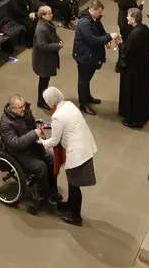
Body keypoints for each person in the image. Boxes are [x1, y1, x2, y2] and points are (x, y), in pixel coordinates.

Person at [40, 86, 98, 227]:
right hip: (85, 145)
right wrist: (49, 125)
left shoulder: (57, 116)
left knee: (74, 185)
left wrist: (41, 142)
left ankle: (75, 216)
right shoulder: (69, 105)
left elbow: (54, 141)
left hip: (77, 153)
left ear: (50, 103)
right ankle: (70, 205)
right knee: (72, 182)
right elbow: (64, 124)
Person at [0, 94, 58, 215]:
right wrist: (33, 134)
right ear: (12, 108)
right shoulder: (5, 123)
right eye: (20, 107)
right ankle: (44, 196)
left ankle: (52, 189)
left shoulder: (25, 111)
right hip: (17, 152)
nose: (24, 109)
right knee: (41, 167)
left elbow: (32, 125)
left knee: (52, 159)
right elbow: (15, 143)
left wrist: (40, 134)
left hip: (30, 145)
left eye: (24, 106)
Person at [72, 0, 117, 115]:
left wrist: (106, 39)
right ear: (92, 10)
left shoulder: (94, 19)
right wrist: (109, 37)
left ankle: (87, 97)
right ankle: (83, 103)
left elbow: (101, 31)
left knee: (87, 78)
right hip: (84, 55)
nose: (100, 14)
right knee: (83, 79)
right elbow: (92, 40)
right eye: (99, 12)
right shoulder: (84, 23)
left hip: (90, 54)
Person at [117, 7, 149, 129]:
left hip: (135, 70)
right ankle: (144, 115)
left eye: (128, 16)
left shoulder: (135, 34)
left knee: (135, 94)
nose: (126, 18)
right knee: (143, 93)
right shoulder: (145, 29)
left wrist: (120, 44)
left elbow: (127, 52)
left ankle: (135, 120)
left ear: (133, 19)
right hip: (143, 67)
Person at [32, 6, 62, 110]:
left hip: (47, 58)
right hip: (43, 59)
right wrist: (57, 46)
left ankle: (43, 99)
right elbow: (43, 46)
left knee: (46, 79)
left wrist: (58, 40)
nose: (51, 15)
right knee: (43, 81)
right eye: (49, 14)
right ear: (43, 15)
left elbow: (53, 35)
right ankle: (41, 101)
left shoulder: (47, 24)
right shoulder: (41, 29)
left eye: (51, 13)